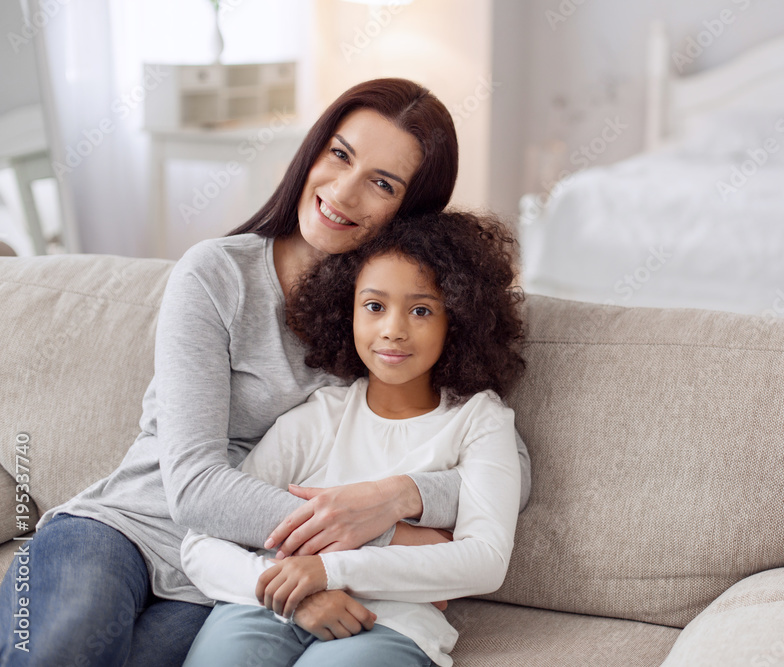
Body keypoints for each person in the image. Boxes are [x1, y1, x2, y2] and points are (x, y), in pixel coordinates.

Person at [0, 78, 531, 667]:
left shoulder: (389, 317)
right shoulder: (216, 276)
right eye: (340, 155)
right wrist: (376, 533)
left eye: (382, 183)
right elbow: (194, 484)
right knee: (59, 652)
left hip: (232, 576)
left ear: (410, 213)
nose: (344, 192)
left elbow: (512, 467)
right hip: (124, 530)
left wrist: (397, 495)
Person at [181, 209, 525, 666]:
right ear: (349, 311)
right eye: (375, 306)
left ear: (457, 320)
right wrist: (297, 589)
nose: (393, 330)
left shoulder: (480, 421)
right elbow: (201, 540)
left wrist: (328, 569)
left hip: (391, 624)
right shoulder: (318, 417)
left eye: (421, 310)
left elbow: (484, 561)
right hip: (271, 607)